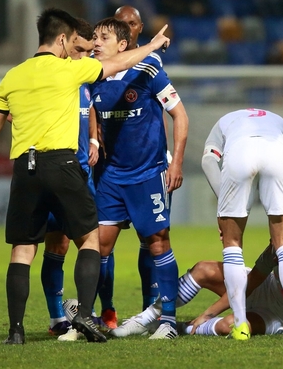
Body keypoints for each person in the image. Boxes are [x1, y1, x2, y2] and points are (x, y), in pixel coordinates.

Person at [0, 7, 171, 345]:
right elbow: (118, 63)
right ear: (62, 39)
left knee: (22, 250)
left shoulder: (12, 76)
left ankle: (16, 330)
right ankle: (85, 316)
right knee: (90, 240)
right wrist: (151, 46)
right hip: (63, 164)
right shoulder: (70, 70)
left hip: (25, 168)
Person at [91, 17, 188, 340]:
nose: (96, 42)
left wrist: (176, 163)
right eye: (94, 37)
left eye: (103, 37)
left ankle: (167, 321)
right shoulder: (90, 75)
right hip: (109, 176)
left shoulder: (148, 70)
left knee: (158, 242)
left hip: (147, 173)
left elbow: (180, 115)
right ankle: (96, 315)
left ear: (122, 45)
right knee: (99, 246)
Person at [110, 238, 283, 338]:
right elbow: (250, 284)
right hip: (259, 288)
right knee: (203, 269)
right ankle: (146, 318)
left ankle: (176, 328)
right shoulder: (280, 250)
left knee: (227, 325)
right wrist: (208, 312)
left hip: (276, 316)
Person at [199, 108, 283, 341]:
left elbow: (208, 161)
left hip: (240, 152)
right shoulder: (280, 121)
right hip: (276, 152)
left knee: (232, 244)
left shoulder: (224, 121)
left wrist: (224, 204)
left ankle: (240, 325)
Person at [39, 18, 100, 336]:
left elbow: (89, 109)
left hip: (82, 171)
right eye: (82, 48)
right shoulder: (49, 73)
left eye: (90, 50)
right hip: (55, 168)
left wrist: (93, 139)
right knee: (58, 243)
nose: (85, 54)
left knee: (94, 242)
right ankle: (57, 318)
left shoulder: (84, 76)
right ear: (68, 41)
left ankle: (91, 311)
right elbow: (11, 112)